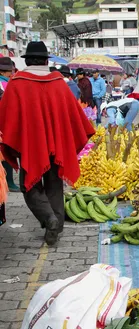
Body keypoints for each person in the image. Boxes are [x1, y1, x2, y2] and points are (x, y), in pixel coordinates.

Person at [0, 42, 95, 244]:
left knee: (30, 186)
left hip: (31, 145)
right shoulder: (59, 82)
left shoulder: (17, 82)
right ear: (46, 61)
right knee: (54, 185)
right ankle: (56, 226)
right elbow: (74, 115)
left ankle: (49, 218)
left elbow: (6, 115)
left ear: (26, 61)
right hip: (57, 144)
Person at [0, 57, 20, 192]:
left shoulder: (7, 82)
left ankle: (9, 181)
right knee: (6, 151)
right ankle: (9, 182)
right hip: (4, 122)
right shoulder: (3, 84)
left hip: (6, 121)